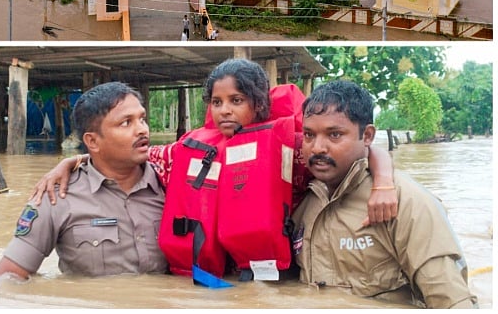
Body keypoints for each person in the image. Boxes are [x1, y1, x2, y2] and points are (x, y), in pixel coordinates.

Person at [33, 59, 398, 283]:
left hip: (273, 273)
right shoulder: (183, 153)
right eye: (218, 102)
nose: (225, 110)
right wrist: (72, 161)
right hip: (211, 277)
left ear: (258, 104)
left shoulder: (293, 150)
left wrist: (383, 181)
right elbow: (131, 156)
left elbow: (363, 151)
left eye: (237, 101)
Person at [293, 81, 477, 308]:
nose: (317, 147)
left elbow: (451, 302)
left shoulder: (407, 202)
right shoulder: (302, 200)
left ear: (367, 136)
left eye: (335, 135)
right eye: (309, 135)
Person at [0, 82, 167, 280]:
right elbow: (5, 280)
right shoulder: (55, 197)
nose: (142, 130)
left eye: (142, 119)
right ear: (92, 141)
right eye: (126, 123)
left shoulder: (171, 182)